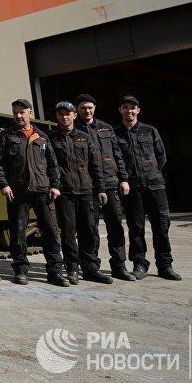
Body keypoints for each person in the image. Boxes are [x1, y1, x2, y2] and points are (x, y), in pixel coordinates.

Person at [0, 98, 69, 287]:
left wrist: (55, 186)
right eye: (15, 112)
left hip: (43, 191)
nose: (18, 115)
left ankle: (55, 271)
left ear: (30, 113)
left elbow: (53, 164)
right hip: (18, 191)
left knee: (51, 232)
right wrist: (3, 184)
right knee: (18, 232)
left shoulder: (42, 136)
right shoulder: (7, 136)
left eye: (22, 112)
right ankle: (21, 271)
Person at [114, 95, 181, 281]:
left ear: (138, 110)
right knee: (136, 229)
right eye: (125, 107)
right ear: (120, 110)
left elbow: (161, 157)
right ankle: (139, 264)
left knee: (161, 226)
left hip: (154, 186)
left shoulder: (150, 131)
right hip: (132, 189)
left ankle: (165, 265)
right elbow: (116, 161)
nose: (129, 110)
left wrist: (152, 173)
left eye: (133, 107)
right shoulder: (115, 133)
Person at [49, 101, 112, 285]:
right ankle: (72, 269)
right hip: (65, 193)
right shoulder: (52, 139)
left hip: (86, 192)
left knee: (89, 231)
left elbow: (95, 164)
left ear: (74, 115)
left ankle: (91, 268)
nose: (65, 117)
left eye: (68, 113)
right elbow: (50, 167)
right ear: (57, 117)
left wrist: (100, 189)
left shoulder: (85, 137)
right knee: (68, 233)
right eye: (61, 114)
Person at [74, 93, 135, 281]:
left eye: (90, 107)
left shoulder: (106, 128)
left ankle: (119, 266)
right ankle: (91, 268)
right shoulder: (73, 130)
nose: (87, 110)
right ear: (77, 110)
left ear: (95, 108)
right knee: (89, 228)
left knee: (116, 226)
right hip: (88, 186)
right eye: (83, 107)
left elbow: (118, 155)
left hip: (110, 183)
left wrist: (123, 179)